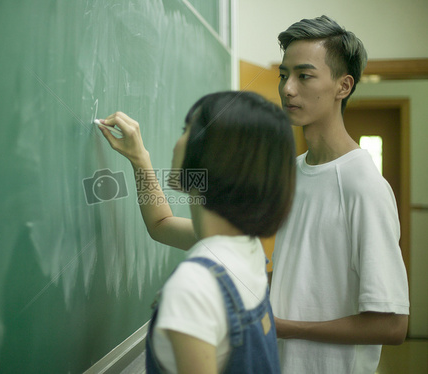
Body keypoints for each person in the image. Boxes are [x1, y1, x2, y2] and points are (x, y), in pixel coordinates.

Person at [98, 91, 295, 373]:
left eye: (185, 130)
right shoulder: (243, 245)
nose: (178, 141)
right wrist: (140, 159)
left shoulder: (192, 288)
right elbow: (161, 224)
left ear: (214, 155)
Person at [270, 15, 410, 373]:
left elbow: (392, 325)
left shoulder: (363, 186)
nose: (287, 89)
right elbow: (305, 278)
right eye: (284, 75)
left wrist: (284, 327)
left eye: (304, 75)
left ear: (342, 86)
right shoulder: (293, 173)